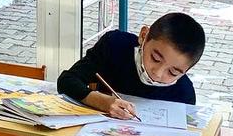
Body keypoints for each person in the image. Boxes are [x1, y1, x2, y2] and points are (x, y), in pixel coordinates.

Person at [56, 12, 205, 117]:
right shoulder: (115, 45)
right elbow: (67, 81)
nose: (158, 73)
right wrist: (102, 102)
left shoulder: (184, 93)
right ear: (144, 36)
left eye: (173, 72)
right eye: (155, 58)